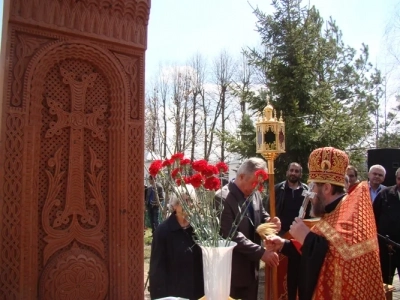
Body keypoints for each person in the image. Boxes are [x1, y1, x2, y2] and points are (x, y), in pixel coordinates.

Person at [265, 147, 385, 300]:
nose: (311, 194)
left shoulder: (349, 218)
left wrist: (307, 238)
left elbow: (338, 259)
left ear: (327, 188)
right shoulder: (337, 212)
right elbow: (323, 249)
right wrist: (284, 245)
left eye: (313, 187)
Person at [217, 157, 281, 300]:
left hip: (252, 270)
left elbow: (261, 214)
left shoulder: (254, 193)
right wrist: (261, 253)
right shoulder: (223, 198)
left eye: (259, 183)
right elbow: (230, 234)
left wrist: (270, 222)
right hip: (233, 271)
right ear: (241, 176)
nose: (257, 187)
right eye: (254, 182)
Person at [149, 185, 204, 300]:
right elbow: (157, 270)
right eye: (184, 201)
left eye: (191, 201)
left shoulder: (200, 229)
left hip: (198, 293)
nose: (188, 205)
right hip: (174, 294)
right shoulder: (163, 231)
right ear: (174, 206)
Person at [373, 167, 400, 285]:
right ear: (396, 178)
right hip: (386, 248)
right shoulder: (385, 194)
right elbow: (373, 218)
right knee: (384, 284)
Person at [267, 162, 310, 236]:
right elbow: (268, 208)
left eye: (296, 171)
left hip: (299, 232)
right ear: (287, 172)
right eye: (291, 170)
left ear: (300, 174)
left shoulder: (307, 190)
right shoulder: (277, 189)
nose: (293, 173)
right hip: (280, 233)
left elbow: (310, 211)